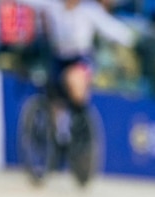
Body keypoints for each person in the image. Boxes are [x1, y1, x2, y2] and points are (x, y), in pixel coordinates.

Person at [14, 0, 135, 146]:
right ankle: (60, 133)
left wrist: (131, 38)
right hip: (58, 57)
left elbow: (110, 27)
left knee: (71, 79)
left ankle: (80, 123)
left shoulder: (89, 10)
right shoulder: (53, 7)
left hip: (81, 59)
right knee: (52, 91)